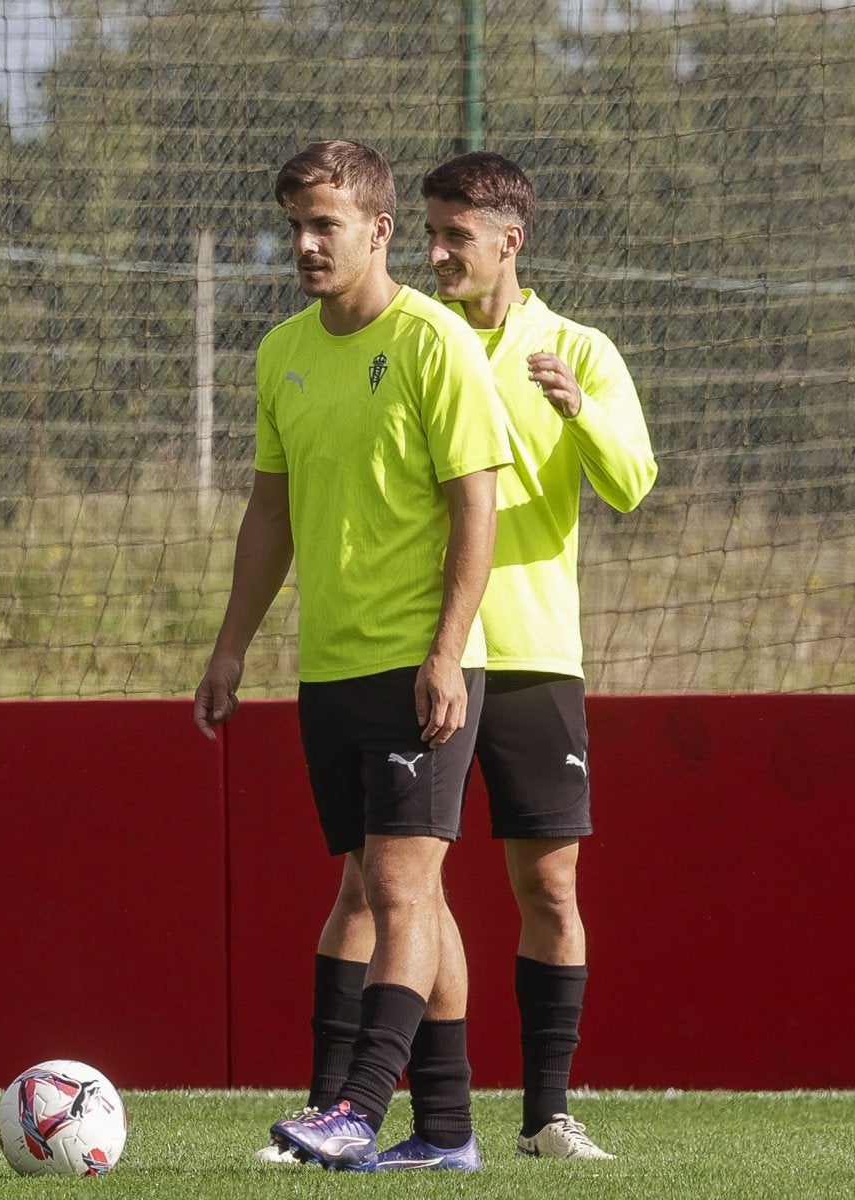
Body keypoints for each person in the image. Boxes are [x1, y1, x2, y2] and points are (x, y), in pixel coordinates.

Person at [263, 151, 659, 1170]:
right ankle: (358, 1112)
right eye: (428, 235)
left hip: (528, 654)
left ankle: (545, 1115)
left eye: (457, 238)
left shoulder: (574, 348)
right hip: (421, 649)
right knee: (388, 886)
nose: (439, 253)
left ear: (509, 242)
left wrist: (581, 409)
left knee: (548, 889)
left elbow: (631, 482)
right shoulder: (408, 340)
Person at [192, 140, 513, 1172]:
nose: (303, 243)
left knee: (400, 884)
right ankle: (449, 1133)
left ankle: (354, 1108)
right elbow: (269, 513)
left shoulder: (434, 345)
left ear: (379, 231)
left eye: (324, 224)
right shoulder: (282, 350)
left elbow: (478, 509)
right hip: (327, 672)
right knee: (384, 894)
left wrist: (447, 652)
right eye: (293, 223)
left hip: (423, 665)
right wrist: (232, 647)